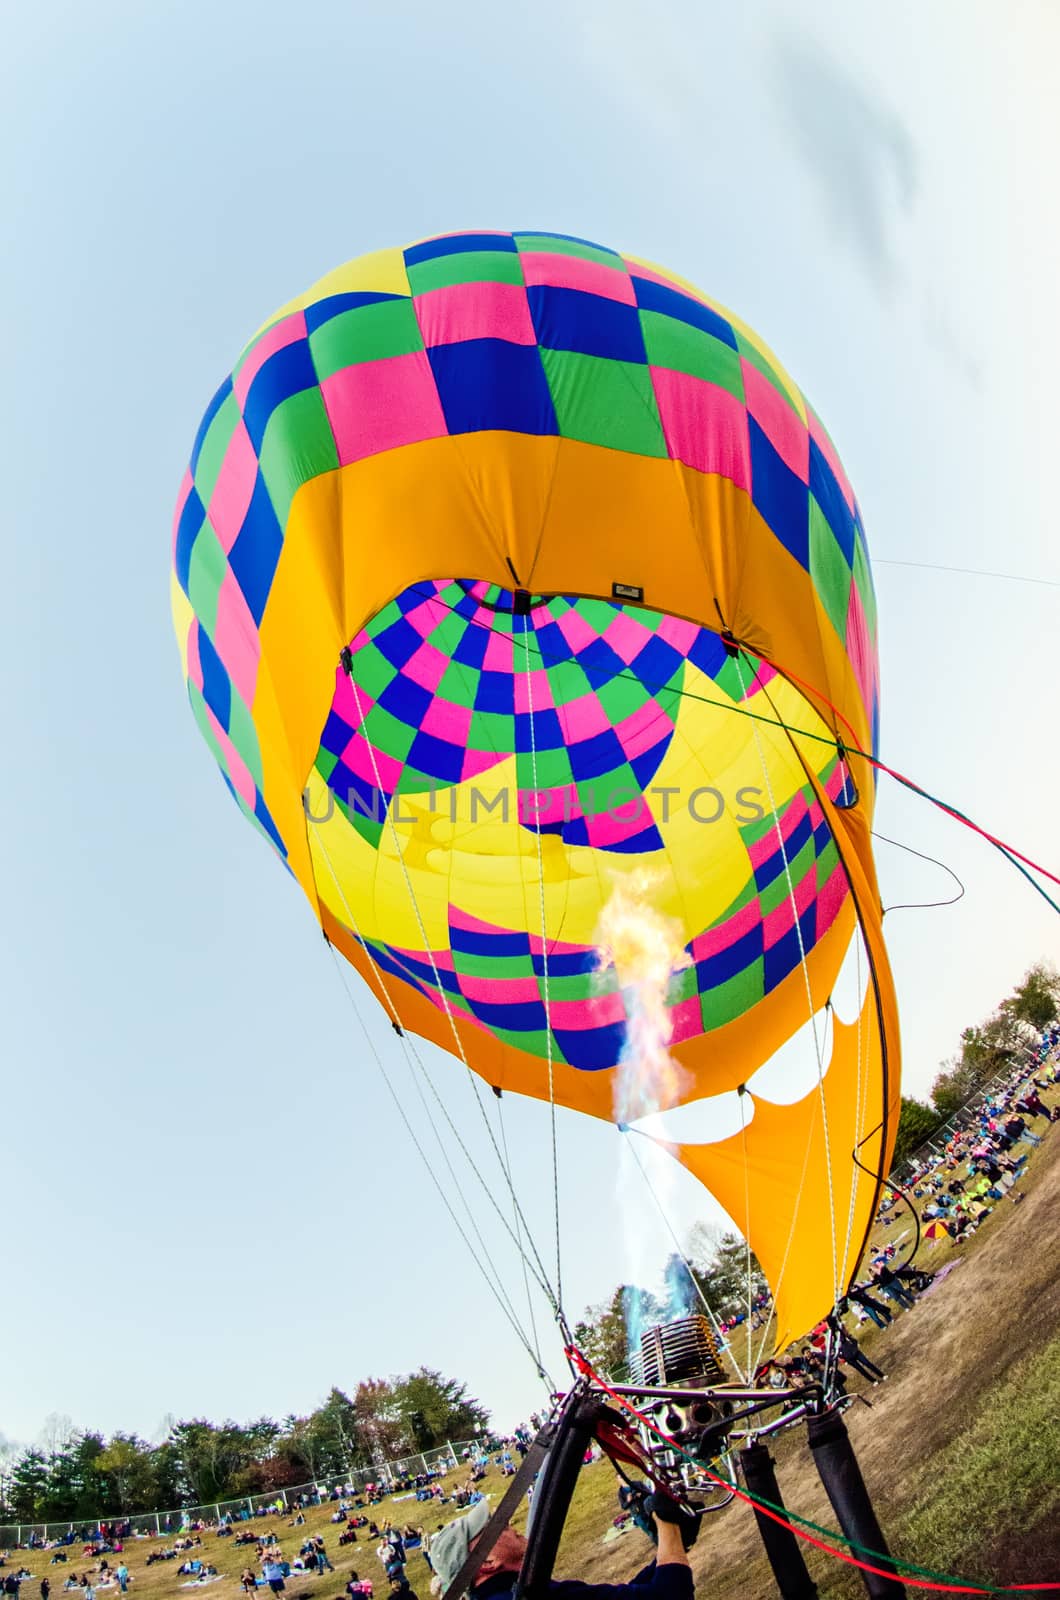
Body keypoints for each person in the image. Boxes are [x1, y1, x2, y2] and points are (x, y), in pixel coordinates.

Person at [429, 1486, 698, 1600]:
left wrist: (671, 1543)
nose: (509, 1526)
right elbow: (670, 1595)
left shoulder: (519, 1592)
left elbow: (627, 1595)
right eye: (496, 1528)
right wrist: (666, 1522)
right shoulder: (533, 1597)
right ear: (487, 1562)